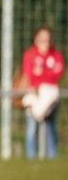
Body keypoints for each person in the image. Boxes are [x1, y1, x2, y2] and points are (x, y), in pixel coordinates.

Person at [20, 26, 64, 159]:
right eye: (41, 39)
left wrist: (41, 74)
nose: (44, 42)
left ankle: (52, 157)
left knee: (51, 127)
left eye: (47, 39)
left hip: (50, 95)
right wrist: (44, 75)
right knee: (31, 128)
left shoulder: (56, 55)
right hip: (34, 93)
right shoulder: (30, 55)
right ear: (36, 39)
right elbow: (29, 75)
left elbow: (57, 74)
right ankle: (31, 158)